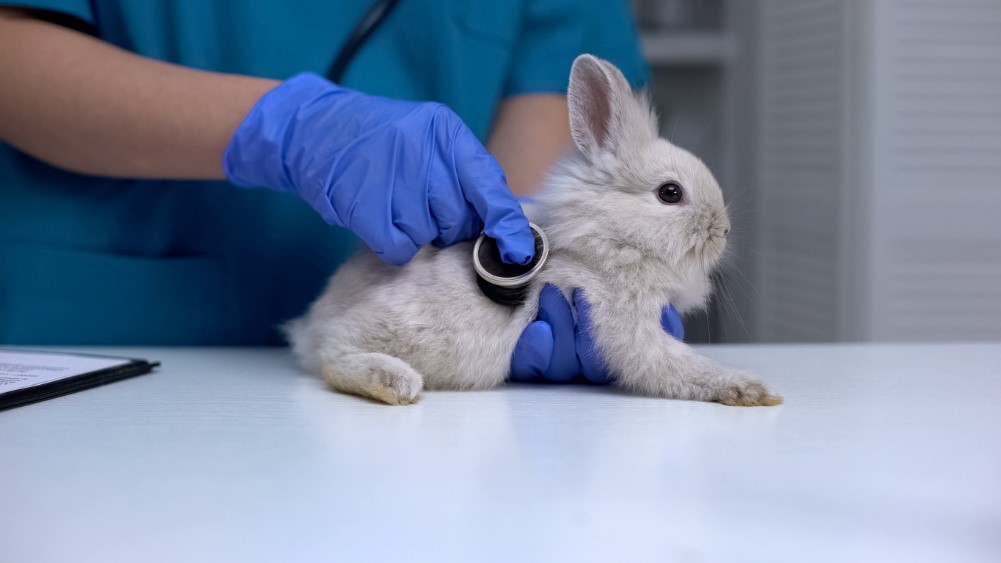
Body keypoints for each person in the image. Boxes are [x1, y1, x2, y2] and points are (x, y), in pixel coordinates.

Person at [0, 0, 680, 383]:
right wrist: (288, 129)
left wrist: (522, 294)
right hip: (97, 352)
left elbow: (539, 163)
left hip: (399, 392)